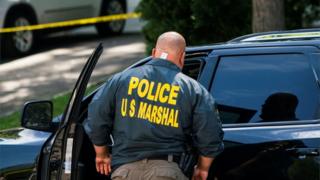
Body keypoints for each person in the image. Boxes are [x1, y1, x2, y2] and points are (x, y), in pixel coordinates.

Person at [84, 31, 224, 180]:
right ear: (182, 57)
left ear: (153, 52)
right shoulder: (194, 90)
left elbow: (96, 116)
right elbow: (210, 133)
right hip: (168, 172)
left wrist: (101, 155)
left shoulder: (120, 80)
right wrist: (202, 168)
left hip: (125, 172)